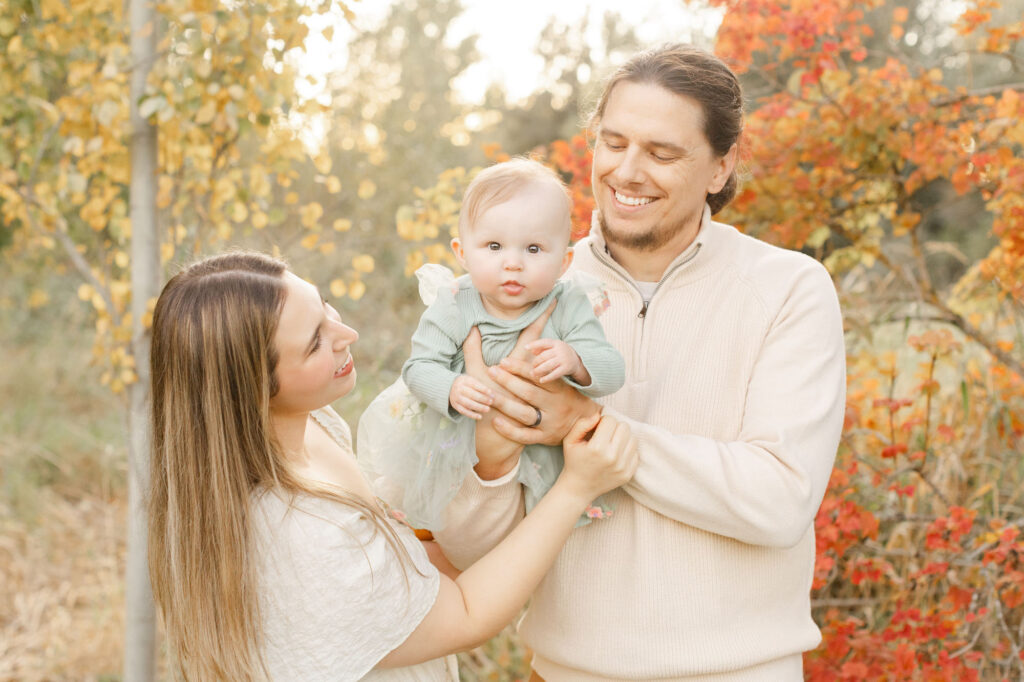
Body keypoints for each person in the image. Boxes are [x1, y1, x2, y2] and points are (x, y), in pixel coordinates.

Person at [432, 44, 847, 680]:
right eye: (614, 142)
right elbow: (468, 550)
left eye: (661, 153)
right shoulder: (516, 289)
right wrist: (492, 456)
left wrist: (584, 427)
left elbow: (780, 501)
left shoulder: (788, 288)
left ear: (720, 165)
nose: (627, 172)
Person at [146, 251, 638, 681]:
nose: (347, 335)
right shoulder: (299, 530)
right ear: (253, 386)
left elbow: (416, 567)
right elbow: (464, 615)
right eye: (315, 342)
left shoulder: (315, 426)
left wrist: (488, 450)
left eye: (326, 312)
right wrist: (574, 488)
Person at [359, 158, 625, 531]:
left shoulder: (567, 303)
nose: (513, 263)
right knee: (444, 523)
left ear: (564, 261)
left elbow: (612, 371)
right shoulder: (454, 301)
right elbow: (419, 367)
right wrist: (450, 387)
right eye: (494, 246)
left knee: (539, 527)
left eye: (533, 249)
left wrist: (576, 359)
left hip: (540, 448)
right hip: (457, 444)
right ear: (462, 253)